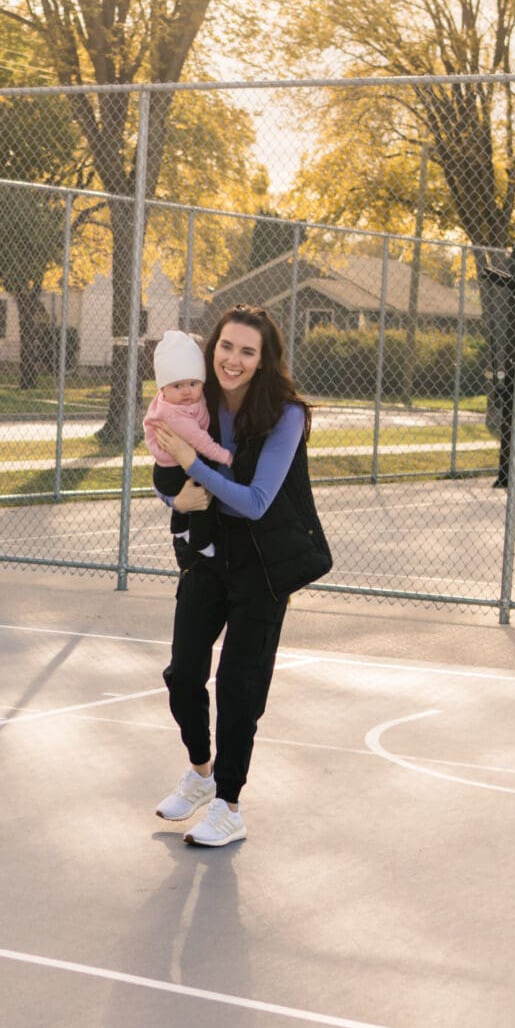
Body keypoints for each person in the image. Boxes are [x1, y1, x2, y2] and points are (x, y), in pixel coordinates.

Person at [146, 306, 315, 850]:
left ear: (264, 361)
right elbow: (163, 464)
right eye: (226, 347)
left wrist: (193, 468)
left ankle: (229, 806)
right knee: (182, 674)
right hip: (209, 555)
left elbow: (257, 502)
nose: (233, 360)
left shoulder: (285, 415)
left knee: (239, 689)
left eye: (247, 351)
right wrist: (175, 493)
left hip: (264, 565)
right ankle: (202, 773)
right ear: (211, 348)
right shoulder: (195, 399)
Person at [142, 329, 232, 569]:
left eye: (193, 383)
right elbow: (201, 442)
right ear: (163, 389)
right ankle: (200, 540)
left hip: (176, 468)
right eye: (177, 385)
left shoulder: (194, 400)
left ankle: (180, 529)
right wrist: (227, 457)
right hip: (170, 473)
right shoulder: (175, 413)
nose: (187, 391)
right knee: (201, 494)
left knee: (196, 489)